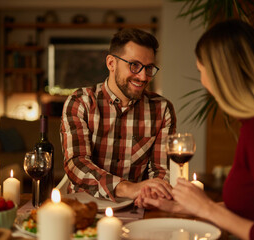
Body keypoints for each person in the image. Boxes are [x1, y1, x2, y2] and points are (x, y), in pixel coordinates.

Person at [143, 19, 254, 240]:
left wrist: (206, 209)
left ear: (220, 75)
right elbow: (253, 210)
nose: (203, 82)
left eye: (201, 70)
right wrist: (183, 207)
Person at [60, 28, 176, 202]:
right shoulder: (80, 102)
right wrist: (126, 188)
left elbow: (161, 169)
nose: (143, 76)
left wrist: (153, 194)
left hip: (137, 205)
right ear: (111, 63)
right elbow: (76, 163)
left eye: (149, 67)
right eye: (134, 65)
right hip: (85, 206)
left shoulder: (162, 109)